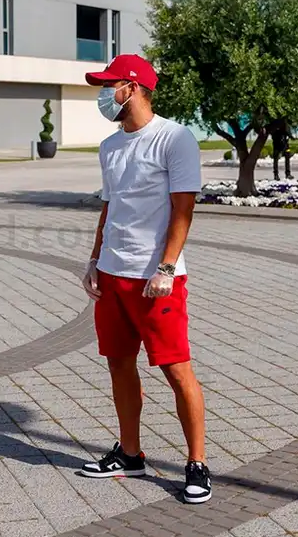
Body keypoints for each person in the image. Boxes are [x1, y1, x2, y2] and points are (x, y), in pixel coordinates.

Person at [78, 54, 210, 504]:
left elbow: (183, 208)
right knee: (118, 363)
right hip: (112, 275)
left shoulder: (174, 138)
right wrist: (94, 259)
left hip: (156, 279)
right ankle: (130, 454)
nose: (104, 94)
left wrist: (167, 268)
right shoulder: (110, 146)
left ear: (131, 88)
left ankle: (197, 464)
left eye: (108, 85)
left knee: (176, 369)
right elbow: (110, 206)